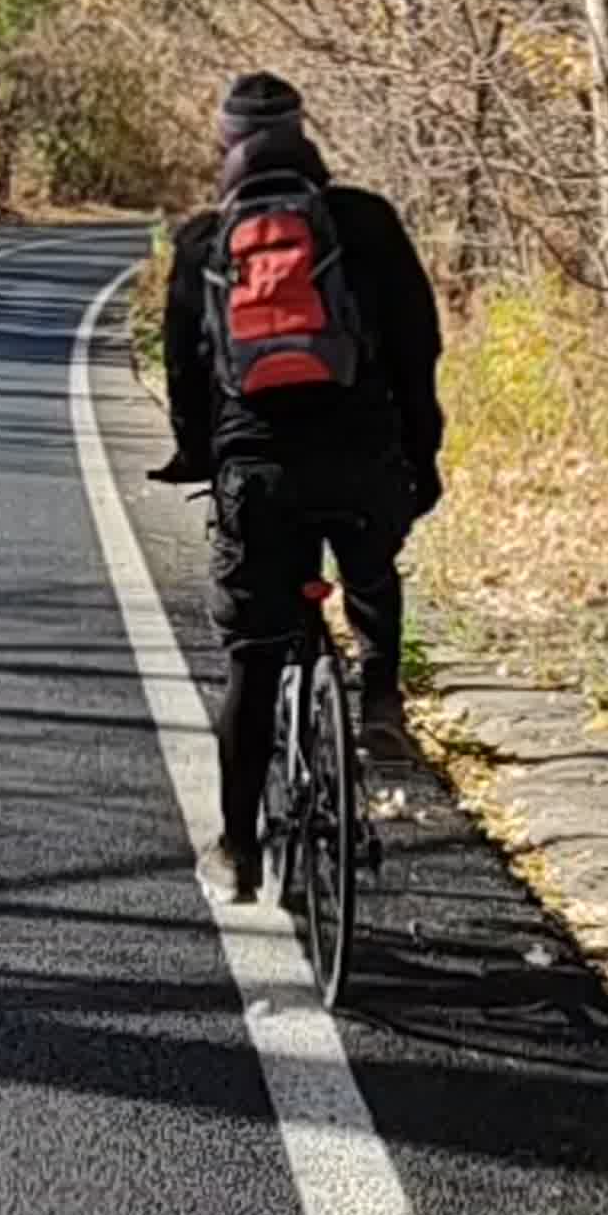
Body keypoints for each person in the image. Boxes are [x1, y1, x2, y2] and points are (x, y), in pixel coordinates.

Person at [152, 72, 444, 903]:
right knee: (373, 555)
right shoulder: (366, 223)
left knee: (251, 657)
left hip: (258, 473)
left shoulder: (204, 242)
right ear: (303, 133)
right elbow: (419, 350)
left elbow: (185, 376)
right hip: (363, 459)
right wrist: (421, 458)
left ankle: (239, 850)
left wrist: (198, 457)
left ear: (224, 145)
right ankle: (380, 692)